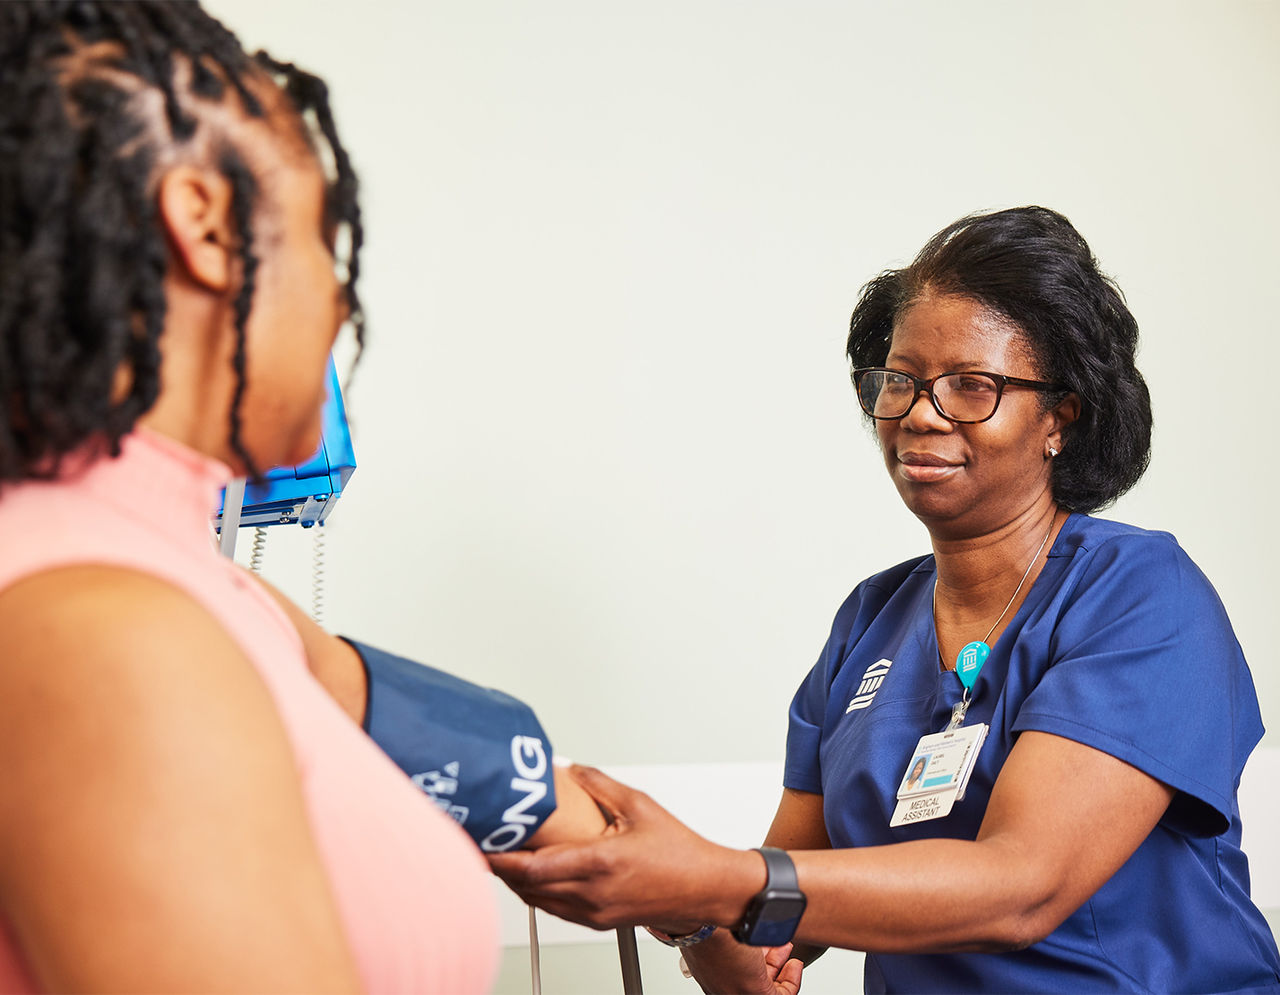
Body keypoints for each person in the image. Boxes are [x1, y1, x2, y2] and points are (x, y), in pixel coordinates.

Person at [491, 206, 1280, 993]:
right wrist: (682, 904)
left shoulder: (1139, 595)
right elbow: (764, 961)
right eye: (899, 381)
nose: (920, 413)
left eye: (972, 386)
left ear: (1059, 418)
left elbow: (1023, 884)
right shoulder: (869, 622)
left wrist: (713, 877)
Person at [0, 3, 602, 992]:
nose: (339, 296)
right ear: (211, 226)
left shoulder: (168, 576)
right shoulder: (107, 632)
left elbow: (377, 696)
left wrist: (708, 895)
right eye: (325, 232)